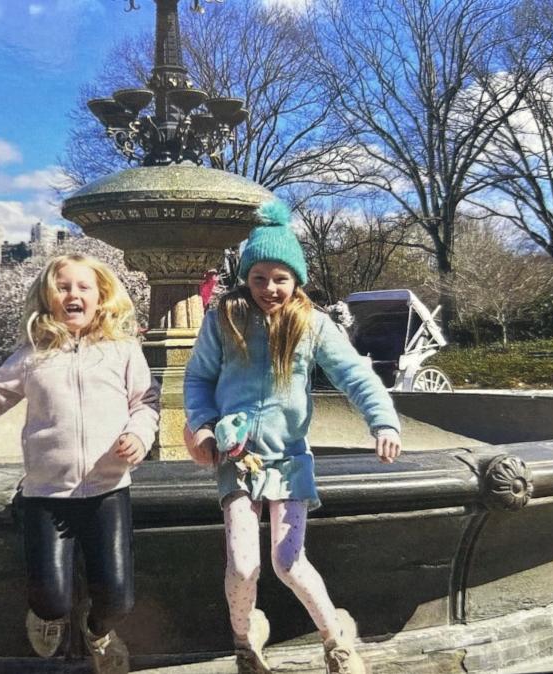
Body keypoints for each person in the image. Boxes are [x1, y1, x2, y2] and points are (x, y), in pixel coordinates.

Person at [183, 200, 402, 674]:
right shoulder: (224, 319)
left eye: (280, 278)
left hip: (289, 460)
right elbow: (197, 379)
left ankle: (336, 639)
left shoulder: (313, 323)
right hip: (236, 459)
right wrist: (202, 424)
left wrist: (383, 421)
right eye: (259, 277)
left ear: (296, 279)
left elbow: (356, 377)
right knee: (244, 565)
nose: (269, 288)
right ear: (247, 276)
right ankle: (244, 638)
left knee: (287, 560)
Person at [0, 254, 159, 674]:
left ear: (102, 296)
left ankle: (99, 630)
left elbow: (146, 403)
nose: (73, 294)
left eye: (83, 287)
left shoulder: (123, 351)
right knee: (50, 599)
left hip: (107, 492)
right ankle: (47, 617)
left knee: (118, 598)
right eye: (63, 287)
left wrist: (139, 435)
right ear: (48, 298)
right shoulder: (32, 356)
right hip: (46, 496)